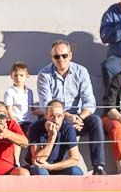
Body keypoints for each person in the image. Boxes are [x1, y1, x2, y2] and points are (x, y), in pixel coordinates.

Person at [33, 39, 106, 173]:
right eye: (57, 56)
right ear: (52, 58)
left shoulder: (81, 71)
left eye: (64, 55)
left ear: (70, 56)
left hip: (77, 119)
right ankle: (44, 165)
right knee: (43, 122)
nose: (61, 59)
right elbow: (46, 106)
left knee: (95, 121)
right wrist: (67, 117)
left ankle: (98, 166)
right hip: (55, 119)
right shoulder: (44, 74)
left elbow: (89, 102)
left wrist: (79, 118)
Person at [27, 99, 85, 176]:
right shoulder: (35, 127)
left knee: (76, 171)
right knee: (41, 172)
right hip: (39, 167)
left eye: (59, 116)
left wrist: (51, 167)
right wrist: (52, 137)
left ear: (63, 115)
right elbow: (38, 160)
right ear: (46, 116)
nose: (56, 120)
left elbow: (74, 159)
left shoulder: (68, 128)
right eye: (52, 116)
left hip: (58, 166)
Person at [3, 62, 35, 133]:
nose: (18, 78)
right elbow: (9, 111)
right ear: (11, 76)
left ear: (27, 76)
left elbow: (32, 108)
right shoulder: (10, 92)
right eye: (16, 75)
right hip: (16, 123)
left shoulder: (29, 92)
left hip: (28, 122)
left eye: (21, 75)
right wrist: (16, 125)